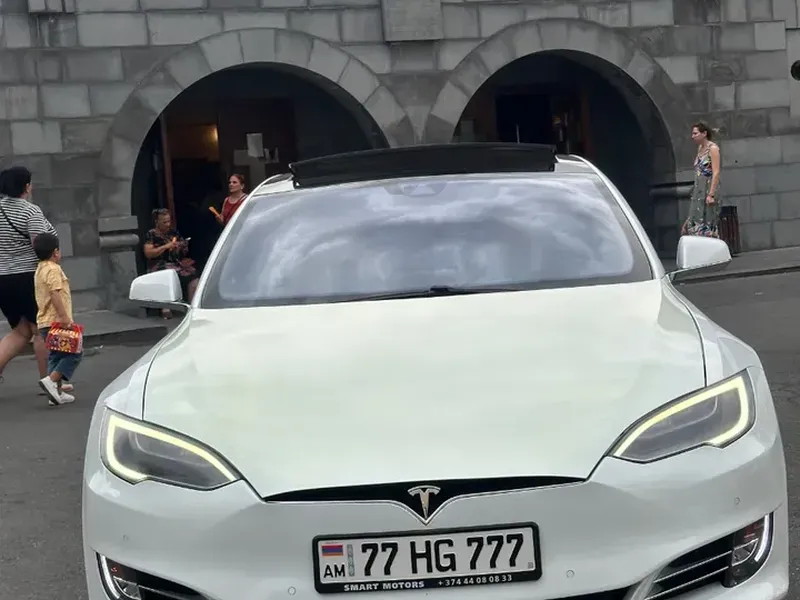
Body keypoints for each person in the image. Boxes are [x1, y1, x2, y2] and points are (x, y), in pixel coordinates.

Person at [0, 166, 66, 390]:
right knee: (42, 330)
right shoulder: (30, 211)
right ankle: (51, 382)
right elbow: (41, 246)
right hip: (29, 278)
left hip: (3, 279)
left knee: (21, 331)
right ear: (26, 186)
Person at [34, 232, 80, 406]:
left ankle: (56, 393)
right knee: (74, 352)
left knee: (56, 355)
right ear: (55, 252)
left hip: (44, 321)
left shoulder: (39, 269)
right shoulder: (53, 269)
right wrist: (65, 318)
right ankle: (51, 381)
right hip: (57, 321)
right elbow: (55, 293)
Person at [143, 208, 199, 319]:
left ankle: (192, 306)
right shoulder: (151, 234)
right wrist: (165, 247)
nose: (167, 224)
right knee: (167, 274)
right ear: (157, 222)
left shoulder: (173, 232)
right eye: (164, 222)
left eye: (169, 221)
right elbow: (149, 253)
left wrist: (181, 246)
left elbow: (182, 251)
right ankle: (166, 308)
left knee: (194, 276)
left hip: (176, 263)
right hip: (159, 264)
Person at [682, 122, 722, 238]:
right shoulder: (700, 148)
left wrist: (711, 194)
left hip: (708, 190)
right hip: (698, 191)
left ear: (704, 133)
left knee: (708, 223)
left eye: (695, 133)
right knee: (695, 221)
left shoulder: (713, 149)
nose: (692, 136)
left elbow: (716, 172)